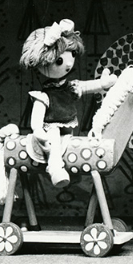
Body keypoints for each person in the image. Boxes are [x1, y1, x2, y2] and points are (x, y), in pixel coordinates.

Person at [20, 19, 116, 187]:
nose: (69, 63)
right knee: (54, 139)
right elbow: (37, 119)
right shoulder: (43, 96)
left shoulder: (70, 87)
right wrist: (38, 130)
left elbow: (86, 86)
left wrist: (102, 83)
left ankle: (70, 169)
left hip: (69, 125)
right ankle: (55, 168)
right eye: (59, 61)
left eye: (72, 55)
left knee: (69, 143)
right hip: (51, 128)